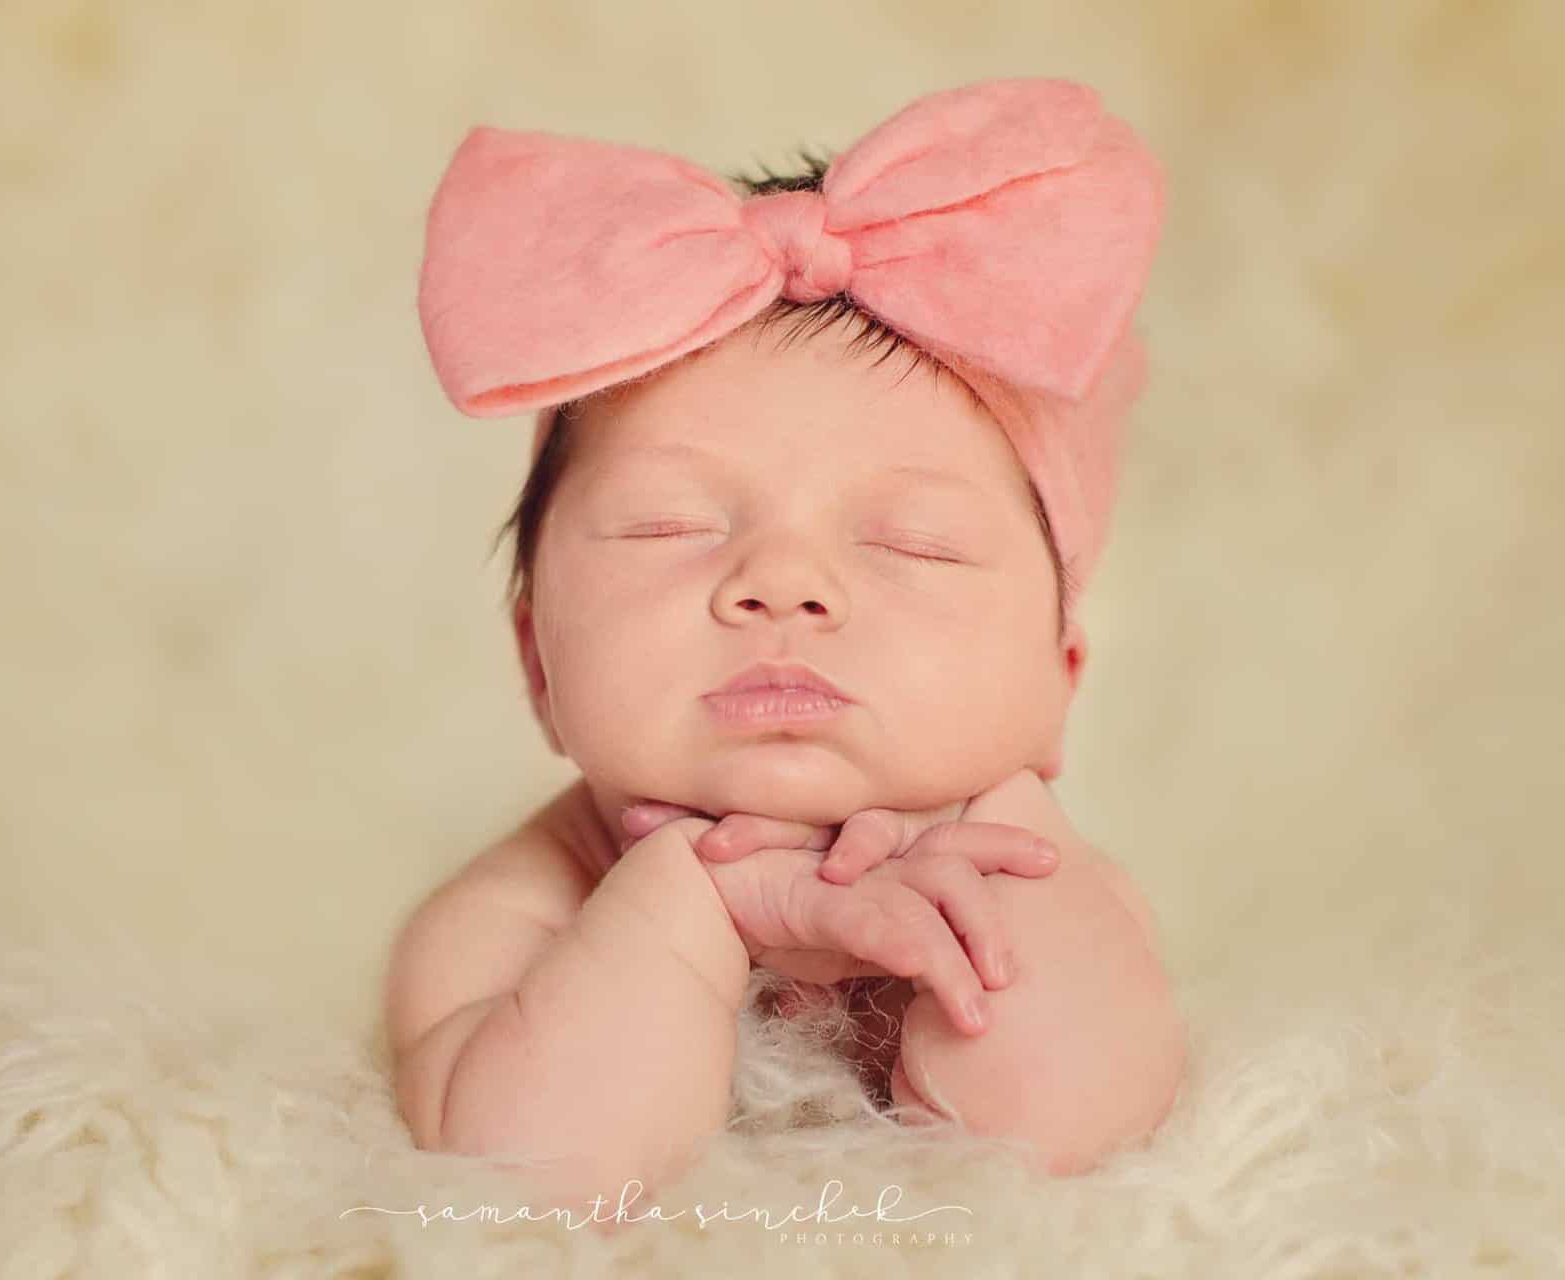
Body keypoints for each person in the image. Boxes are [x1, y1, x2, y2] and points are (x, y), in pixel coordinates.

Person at [386, 77, 1187, 1214]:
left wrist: (994, 902)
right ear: (536, 665)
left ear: (1056, 683)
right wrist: (697, 903)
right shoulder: (512, 913)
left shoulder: (1056, 889)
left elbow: (1053, 1146)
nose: (782, 584)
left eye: (914, 544)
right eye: (671, 526)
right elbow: (537, 1177)